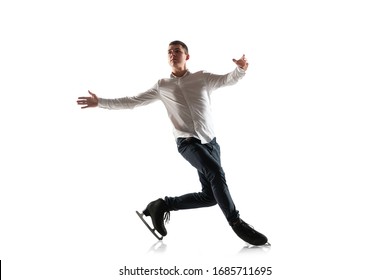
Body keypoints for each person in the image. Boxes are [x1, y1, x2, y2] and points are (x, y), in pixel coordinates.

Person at [77, 40, 268, 246]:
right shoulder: (162, 86)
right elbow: (132, 101)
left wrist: (240, 69)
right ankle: (236, 222)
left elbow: (228, 79)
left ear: (187, 56)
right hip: (187, 143)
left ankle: (161, 205)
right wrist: (101, 102)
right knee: (216, 173)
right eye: (169, 51)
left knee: (210, 197)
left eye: (177, 51)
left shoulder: (201, 78)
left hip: (211, 144)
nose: (172, 54)